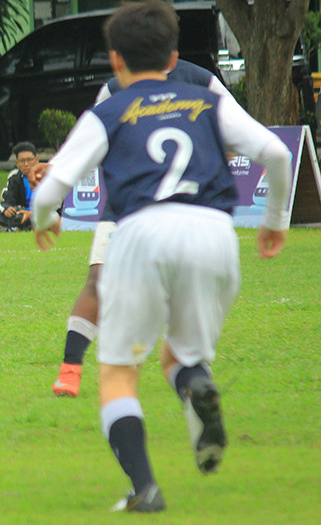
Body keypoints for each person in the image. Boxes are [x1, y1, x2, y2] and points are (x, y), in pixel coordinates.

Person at [31, 0, 290, 512]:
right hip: (214, 233)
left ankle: (144, 489)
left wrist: (46, 220)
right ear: (173, 56)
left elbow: (48, 191)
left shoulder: (109, 108)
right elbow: (278, 153)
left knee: (120, 372)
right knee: (183, 357)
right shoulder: (208, 100)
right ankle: (198, 387)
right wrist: (274, 222)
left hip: (141, 234)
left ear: (115, 60)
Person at [51, 59, 237, 397]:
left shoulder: (200, 80)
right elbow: (93, 142)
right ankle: (70, 369)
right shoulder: (114, 87)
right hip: (126, 205)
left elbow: (232, 125)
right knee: (98, 279)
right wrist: (58, 167)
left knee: (179, 297)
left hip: (184, 210)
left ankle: (191, 377)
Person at [0, 142, 39, 232]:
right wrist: (7, 209)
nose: (26, 164)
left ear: (36, 160)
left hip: (40, 213)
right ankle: (21, 227)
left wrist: (31, 213)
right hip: (21, 215)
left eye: (29, 160)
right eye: (22, 161)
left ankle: (12, 228)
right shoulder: (15, 177)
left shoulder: (46, 175)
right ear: (17, 163)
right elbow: (7, 199)